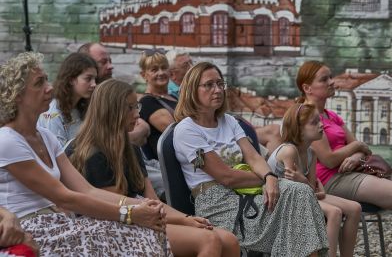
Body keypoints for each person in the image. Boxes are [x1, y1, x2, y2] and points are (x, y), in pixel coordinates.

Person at [0, 52, 171, 256]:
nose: (50, 87)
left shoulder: (45, 136)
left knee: (147, 234)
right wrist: (130, 213)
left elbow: (86, 190)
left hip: (58, 222)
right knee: (138, 235)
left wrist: (143, 205)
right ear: (17, 95)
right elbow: (65, 197)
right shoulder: (8, 140)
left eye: (47, 79)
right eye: (39, 83)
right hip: (33, 228)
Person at [70, 78, 240, 257]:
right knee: (208, 240)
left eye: (137, 106)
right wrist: (184, 221)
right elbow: (116, 211)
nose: (137, 114)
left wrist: (186, 219)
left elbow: (153, 201)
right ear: (111, 111)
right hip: (114, 227)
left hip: (144, 218)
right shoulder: (95, 155)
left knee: (229, 240)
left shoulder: (131, 149)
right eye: (130, 108)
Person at [173, 61, 329, 256]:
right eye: (209, 85)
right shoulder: (186, 130)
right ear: (191, 90)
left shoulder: (228, 121)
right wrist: (267, 178)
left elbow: (253, 157)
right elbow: (225, 177)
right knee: (295, 195)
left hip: (247, 193)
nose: (218, 90)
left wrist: (270, 177)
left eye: (220, 84)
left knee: (300, 191)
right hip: (217, 204)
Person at [268, 103, 361, 257]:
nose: (321, 125)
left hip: (303, 195)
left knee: (355, 208)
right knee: (334, 212)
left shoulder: (311, 152)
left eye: (320, 120)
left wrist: (307, 184)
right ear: (298, 129)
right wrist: (309, 185)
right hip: (282, 201)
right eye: (314, 122)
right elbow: (298, 192)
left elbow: (310, 189)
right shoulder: (289, 151)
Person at [297, 60, 392, 209]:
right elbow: (328, 159)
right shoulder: (306, 116)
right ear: (307, 88)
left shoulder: (331, 115)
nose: (331, 82)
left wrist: (355, 156)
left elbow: (363, 150)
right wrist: (357, 145)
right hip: (329, 179)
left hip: (349, 172)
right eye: (324, 79)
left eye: (330, 77)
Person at [78, 42, 150, 147]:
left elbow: (144, 127)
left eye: (110, 61)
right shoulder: (79, 103)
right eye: (103, 62)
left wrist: (122, 138)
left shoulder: (112, 95)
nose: (110, 66)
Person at [37, 53, 97, 147]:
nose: (94, 84)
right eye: (88, 79)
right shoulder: (53, 111)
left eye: (94, 79)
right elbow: (57, 153)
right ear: (71, 79)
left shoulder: (81, 107)